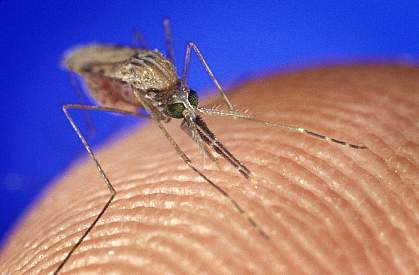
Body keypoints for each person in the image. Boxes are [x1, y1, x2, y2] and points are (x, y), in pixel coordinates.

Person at [1, 64, 418, 274]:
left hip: (161, 86)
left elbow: (185, 101)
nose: (192, 116)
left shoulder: (180, 96)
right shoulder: (153, 99)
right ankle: (112, 194)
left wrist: (235, 111)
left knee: (192, 116)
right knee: (183, 151)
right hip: (127, 82)